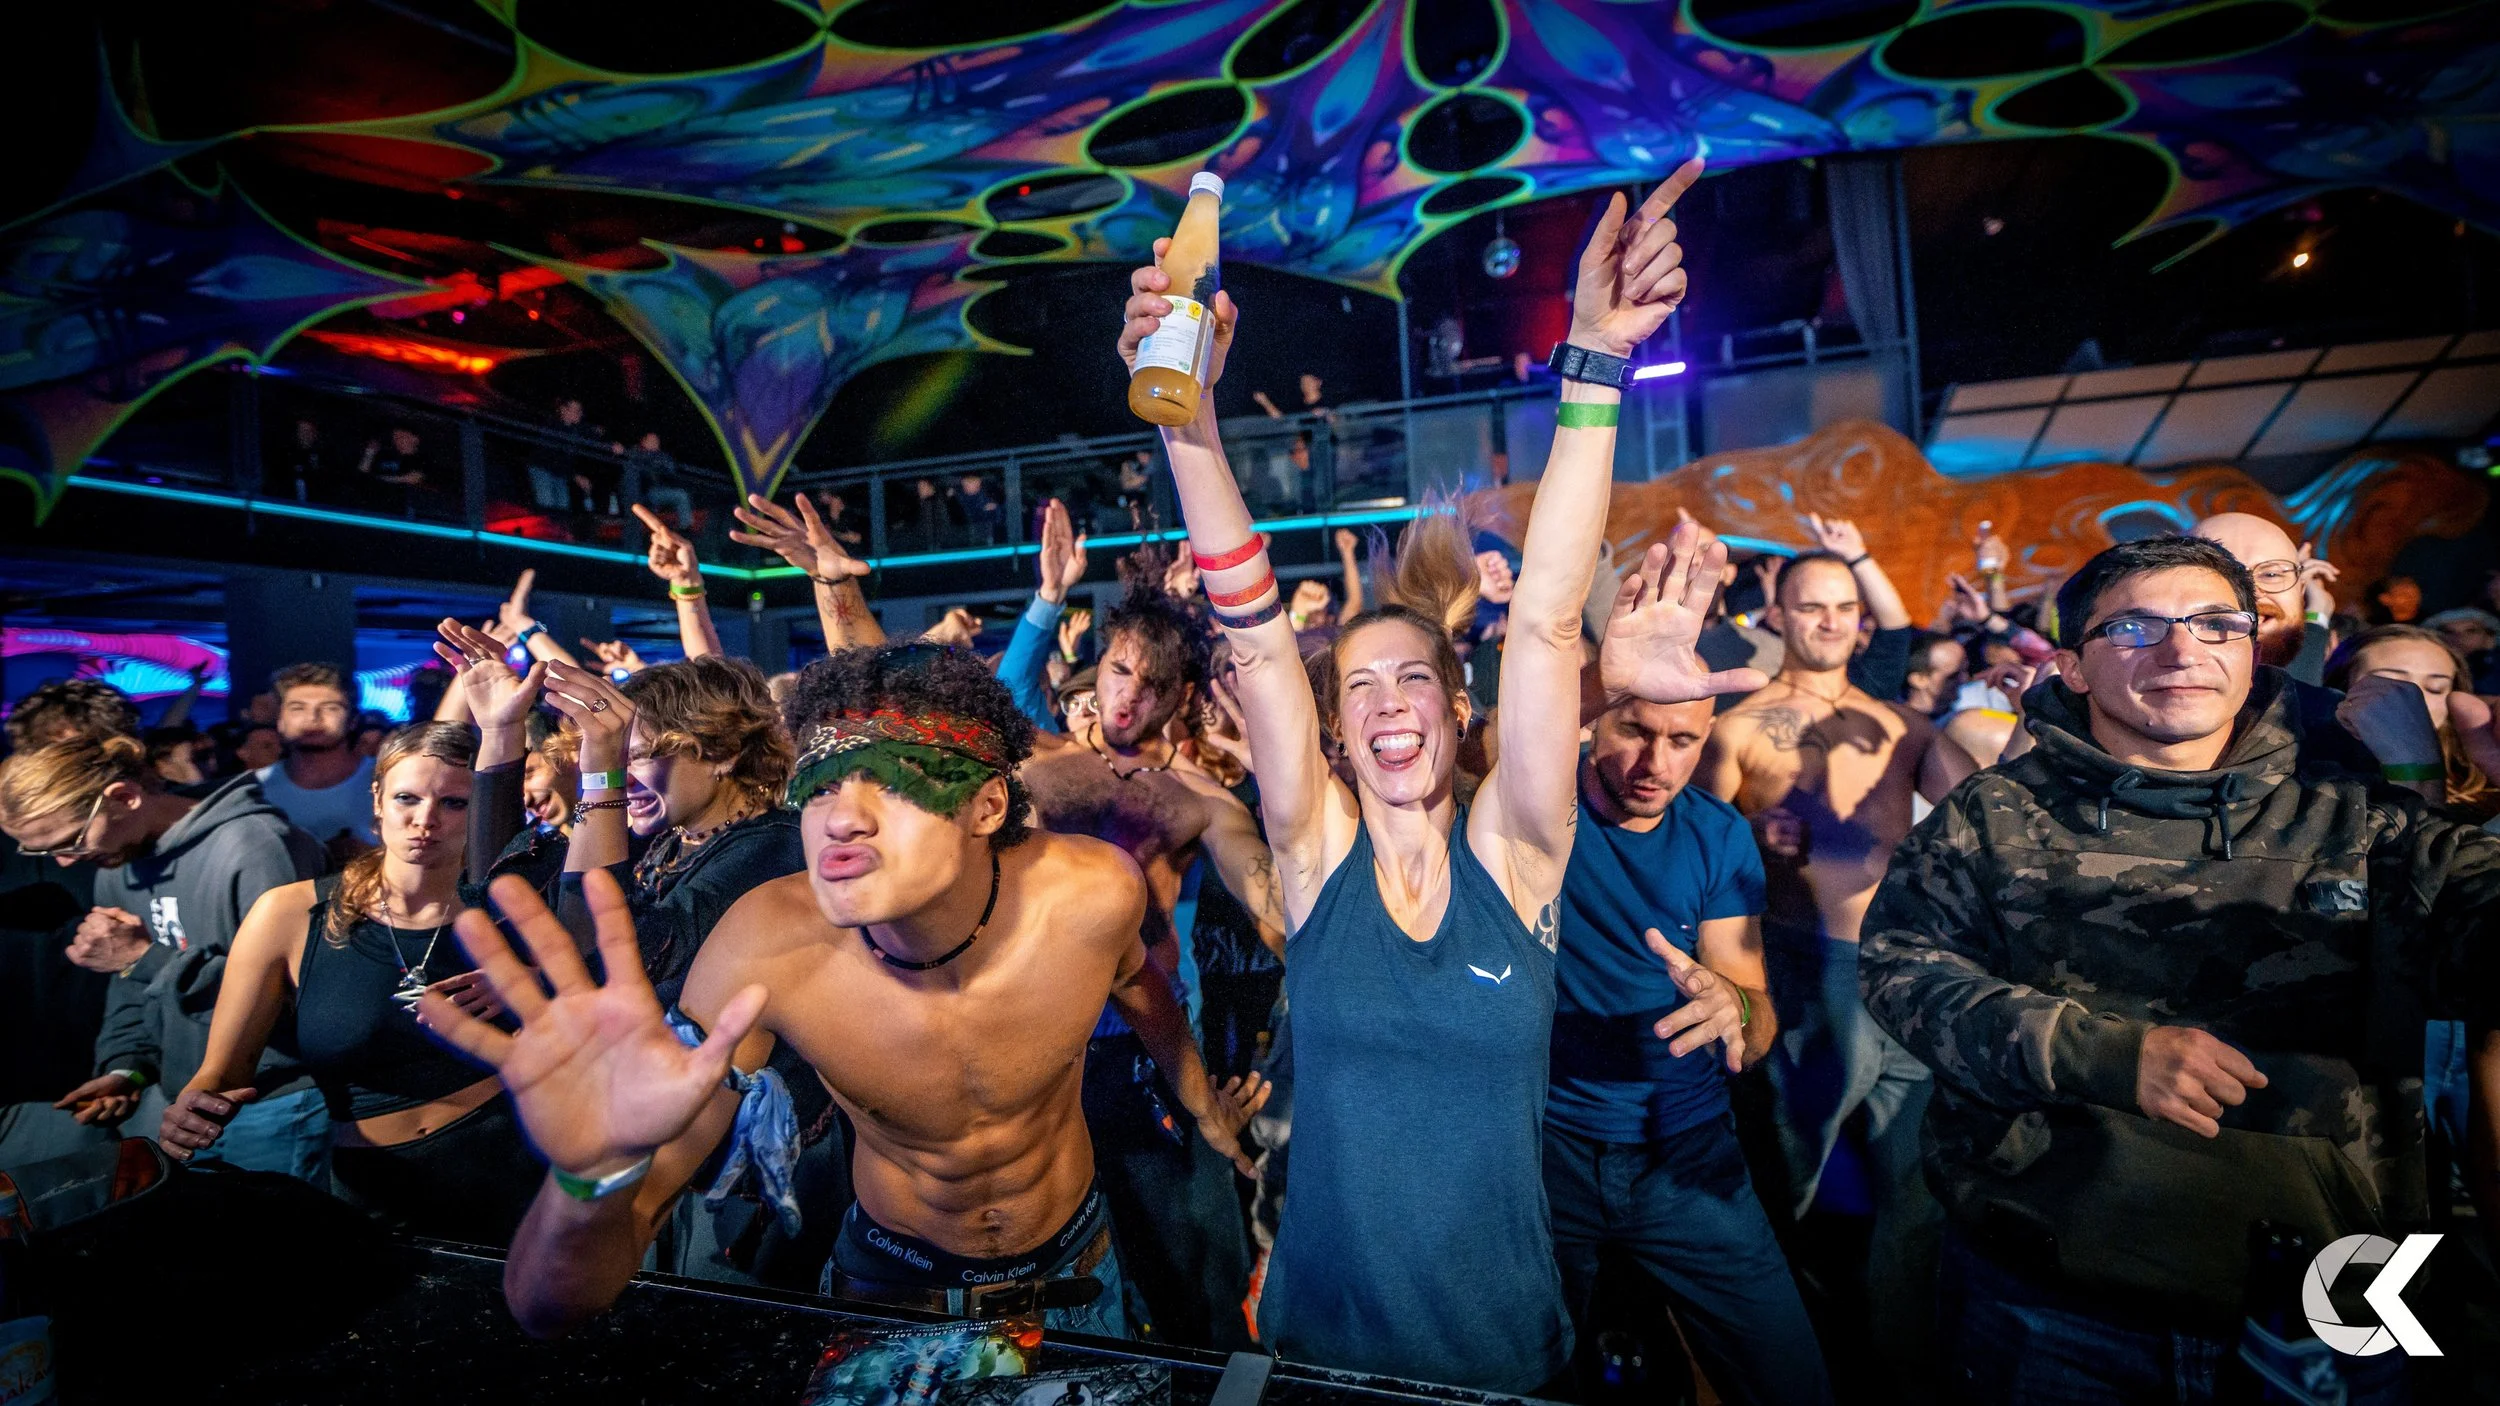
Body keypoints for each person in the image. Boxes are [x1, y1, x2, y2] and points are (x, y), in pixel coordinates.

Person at [1123, 158, 1728, 1392]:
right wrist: (1187, 426)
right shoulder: (1313, 851)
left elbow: (1552, 615)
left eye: (1415, 681)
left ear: (1460, 714)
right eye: (1358, 688)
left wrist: (1596, 358)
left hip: (1501, 1351)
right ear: (1334, 733)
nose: (1388, 701)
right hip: (1311, 1351)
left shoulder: (1518, 852)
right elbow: (1245, 628)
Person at [418, 642, 1262, 1340]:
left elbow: (1144, 991)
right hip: (890, 1293)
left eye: (892, 783)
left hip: (1078, 1273)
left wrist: (1202, 1107)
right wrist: (589, 1178)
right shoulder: (767, 948)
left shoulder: (1091, 894)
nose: (840, 818)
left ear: (987, 804)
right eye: (818, 787)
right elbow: (549, 1305)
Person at [1860, 535, 2500, 1404]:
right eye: (2134, 627)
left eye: (2214, 623)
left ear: (2250, 643)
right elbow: (1906, 970)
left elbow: (2473, 927)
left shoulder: (2353, 807)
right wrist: (2099, 1053)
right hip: (2060, 1286)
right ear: (2075, 667)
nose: (2181, 651)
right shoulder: (1999, 812)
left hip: (2339, 1285)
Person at [990, 505, 1287, 1347]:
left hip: (1143, 1051)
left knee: (1199, 1285)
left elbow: (1269, 898)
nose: (1129, 695)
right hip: (1037, 1052)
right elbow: (985, 716)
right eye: (1120, 672)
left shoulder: (1198, 800)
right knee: (1052, 1300)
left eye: (1153, 684)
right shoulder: (1051, 762)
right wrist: (1047, 602)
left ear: (1182, 695)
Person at [1545, 546, 1830, 1406]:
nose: (1655, 764)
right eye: (1637, 730)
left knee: (1790, 1380)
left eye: (1683, 741)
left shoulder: (1715, 834)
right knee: (1527, 1375)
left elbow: (1755, 1004)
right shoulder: (1535, 808)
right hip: (1545, 1149)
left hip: (1685, 1145)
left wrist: (1732, 1005)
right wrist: (1599, 679)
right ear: (1598, 722)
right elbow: (1492, 739)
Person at [1695, 536, 1977, 1388]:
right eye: (1811, 604)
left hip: (1910, 973)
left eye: (1843, 608)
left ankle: (1897, 1372)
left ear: (1863, 625)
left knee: (1916, 1203)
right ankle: (1786, 1367)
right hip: (1801, 969)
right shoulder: (1737, 726)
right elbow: (1691, 850)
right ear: (1778, 614)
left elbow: (1980, 811)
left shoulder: (1904, 725)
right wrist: (1746, 835)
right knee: (1788, 1184)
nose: (1828, 620)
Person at [158, 723, 539, 1245]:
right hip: (373, 1187)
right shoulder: (289, 914)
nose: (425, 820)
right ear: (378, 799)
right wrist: (191, 1109)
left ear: (485, 809)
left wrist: (537, 982)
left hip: (514, 1174)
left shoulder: (517, 910)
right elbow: (223, 1072)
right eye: (407, 797)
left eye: (454, 803)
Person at [0, 732, 327, 1179]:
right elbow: (129, 988)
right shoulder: (120, 862)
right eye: (45, 850)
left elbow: (297, 999)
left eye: (71, 840)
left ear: (125, 796)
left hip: (273, 1100)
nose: (65, 862)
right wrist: (126, 1069)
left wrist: (144, 958)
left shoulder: (255, 847)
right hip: (175, 1103)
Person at [2326, 624, 2499, 824]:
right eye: (2389, 683)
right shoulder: (2310, 777)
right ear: (2339, 686)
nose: (2414, 698)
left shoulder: (2486, 790)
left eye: (2435, 688)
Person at [2190, 514, 2333, 684]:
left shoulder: (2337, 708)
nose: (2253, 593)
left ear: (2301, 591)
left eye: (2271, 574)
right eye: (2222, 575)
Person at [256, 662, 379, 860]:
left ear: (352, 720)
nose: (313, 718)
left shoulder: (387, 780)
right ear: (280, 720)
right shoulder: (256, 789)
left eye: (330, 708)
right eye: (298, 708)